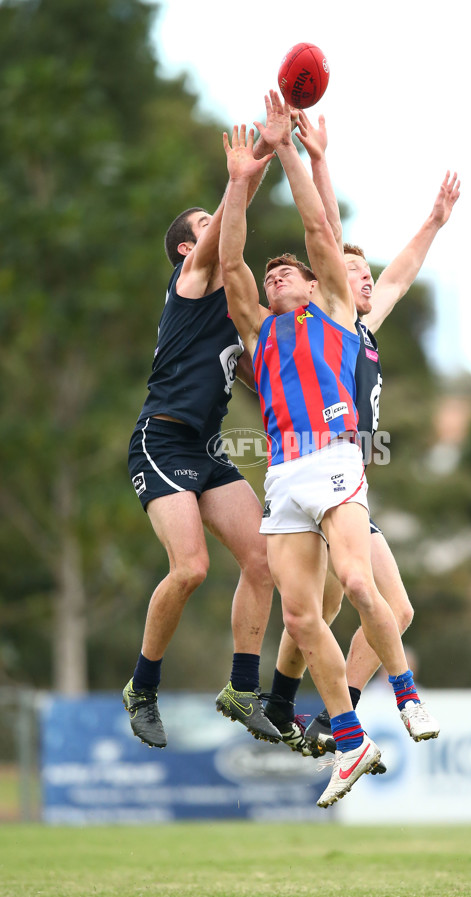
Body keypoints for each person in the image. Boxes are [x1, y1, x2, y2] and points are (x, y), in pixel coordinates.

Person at [219, 91, 422, 808]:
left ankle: (400, 696)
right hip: (283, 476)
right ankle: (339, 729)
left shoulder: (334, 311)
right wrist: (242, 180)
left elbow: (318, 227)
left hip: (337, 459)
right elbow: (233, 259)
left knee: (367, 592)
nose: (278, 275)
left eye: (290, 271)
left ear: (315, 283)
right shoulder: (257, 331)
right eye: (273, 276)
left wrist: (304, 154)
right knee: (304, 616)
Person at [259, 110, 460, 760]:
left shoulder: (364, 329)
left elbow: (400, 273)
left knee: (388, 611)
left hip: (348, 479)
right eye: (356, 270)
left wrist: (432, 222)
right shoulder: (324, 321)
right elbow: (324, 234)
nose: (369, 276)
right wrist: (311, 160)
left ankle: (310, 713)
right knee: (330, 602)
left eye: (368, 271)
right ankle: (290, 705)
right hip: (318, 471)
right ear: (328, 287)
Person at [122, 117, 288, 750]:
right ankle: (143, 688)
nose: (214, 228)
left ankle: (242, 688)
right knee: (189, 568)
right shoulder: (190, 283)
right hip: (160, 444)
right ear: (188, 251)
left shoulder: (231, 304)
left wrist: (269, 149)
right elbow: (228, 223)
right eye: (202, 227)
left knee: (264, 559)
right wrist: (243, 176)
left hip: (207, 450)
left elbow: (235, 219)